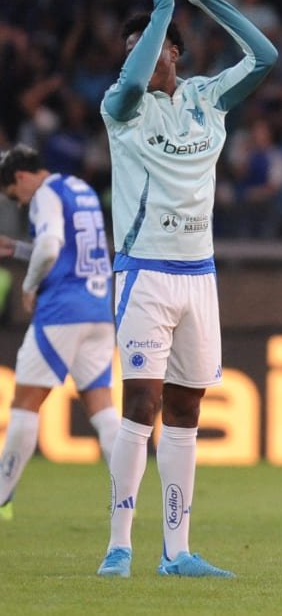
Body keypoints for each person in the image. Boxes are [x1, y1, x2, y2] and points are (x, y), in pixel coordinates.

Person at [96, 0, 277, 579]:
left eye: (146, 48)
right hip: (144, 270)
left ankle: (177, 552)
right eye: (129, 51)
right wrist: (161, 7)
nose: (137, 61)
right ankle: (119, 544)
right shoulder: (122, 107)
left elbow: (266, 55)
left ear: (174, 53)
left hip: (198, 274)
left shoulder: (207, 97)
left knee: (186, 412)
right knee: (139, 403)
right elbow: (127, 82)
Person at [0, 145, 117, 522]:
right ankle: (126, 495)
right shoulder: (79, 188)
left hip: (62, 310)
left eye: (13, 195)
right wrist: (18, 249)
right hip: (100, 308)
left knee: (25, 404)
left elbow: (50, 248)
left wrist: (30, 285)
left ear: (19, 177)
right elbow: (71, 245)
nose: (18, 204)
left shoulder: (44, 194)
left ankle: (1, 497)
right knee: (103, 409)